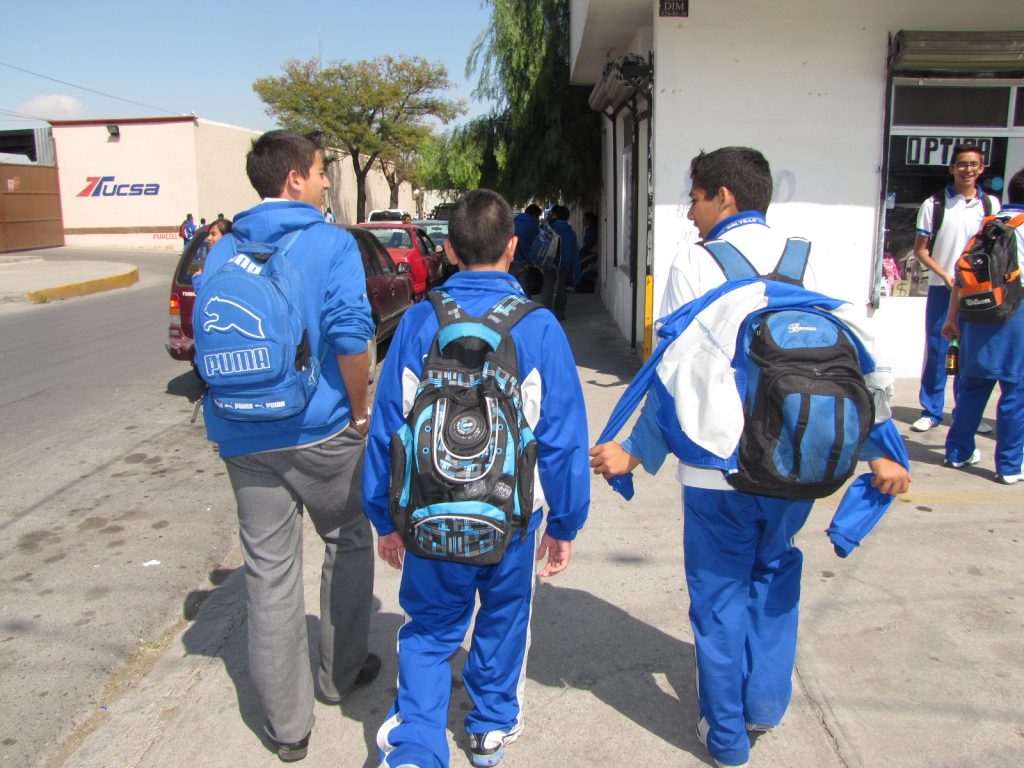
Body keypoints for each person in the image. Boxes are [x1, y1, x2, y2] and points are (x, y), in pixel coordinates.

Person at [589, 146, 911, 768]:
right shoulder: (809, 257)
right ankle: (763, 704)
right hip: (797, 464)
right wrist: (880, 449)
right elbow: (851, 363)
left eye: (695, 198)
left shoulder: (697, 261)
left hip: (718, 471)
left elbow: (676, 372)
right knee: (774, 573)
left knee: (718, 599)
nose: (689, 213)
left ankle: (727, 739)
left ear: (725, 197)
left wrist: (636, 451)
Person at [362, 189, 590, 768]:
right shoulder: (539, 328)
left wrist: (383, 517)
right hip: (512, 520)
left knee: (429, 628)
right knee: (505, 620)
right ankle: (489, 727)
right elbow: (563, 438)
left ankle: (417, 745)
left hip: (429, 513)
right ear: (513, 246)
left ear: (448, 250)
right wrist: (564, 523)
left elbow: (388, 427)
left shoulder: (419, 321)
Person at [193, 130, 380, 763]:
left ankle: (288, 727)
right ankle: (339, 675)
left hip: (241, 433)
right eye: (322, 172)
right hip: (319, 431)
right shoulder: (332, 243)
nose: (327, 182)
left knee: (269, 571)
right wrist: (359, 409)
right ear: (295, 178)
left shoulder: (222, 249)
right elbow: (351, 338)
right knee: (347, 538)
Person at [910, 144, 1001, 433]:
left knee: (971, 355)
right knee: (938, 351)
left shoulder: (991, 205)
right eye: (962, 164)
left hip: (978, 292)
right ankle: (931, 410)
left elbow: (997, 249)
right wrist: (945, 274)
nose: (967, 169)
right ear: (952, 168)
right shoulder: (934, 204)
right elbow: (920, 251)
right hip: (943, 288)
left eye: (974, 164)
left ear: (981, 169)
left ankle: (967, 414)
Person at [942, 167, 1024, 484]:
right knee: (1015, 393)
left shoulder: (988, 223)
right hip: (1015, 317)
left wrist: (952, 318)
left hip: (977, 316)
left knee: (972, 389)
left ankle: (957, 452)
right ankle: (1009, 466)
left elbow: (960, 277)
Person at [541, 205, 581, 321]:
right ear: (568, 217)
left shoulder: (549, 228)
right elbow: (575, 254)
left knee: (548, 287)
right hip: (563, 264)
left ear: (556, 216)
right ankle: (559, 313)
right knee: (561, 288)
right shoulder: (571, 233)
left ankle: (545, 313)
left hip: (549, 262)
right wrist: (577, 273)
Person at [510, 203, 542, 295]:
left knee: (512, 289)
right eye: (538, 217)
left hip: (510, 261)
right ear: (535, 215)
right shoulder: (532, 225)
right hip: (523, 262)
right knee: (524, 290)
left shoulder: (514, 221)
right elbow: (537, 245)